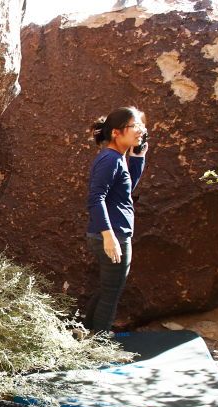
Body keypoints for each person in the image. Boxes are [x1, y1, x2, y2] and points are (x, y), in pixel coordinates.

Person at [84, 106, 148, 333]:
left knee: (108, 288)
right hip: (112, 234)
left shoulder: (116, 158)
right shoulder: (110, 159)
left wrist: (138, 156)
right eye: (135, 126)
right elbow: (95, 198)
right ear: (116, 132)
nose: (141, 130)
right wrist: (108, 235)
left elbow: (125, 191)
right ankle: (99, 340)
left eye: (141, 125)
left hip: (112, 233)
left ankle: (87, 332)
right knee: (111, 292)